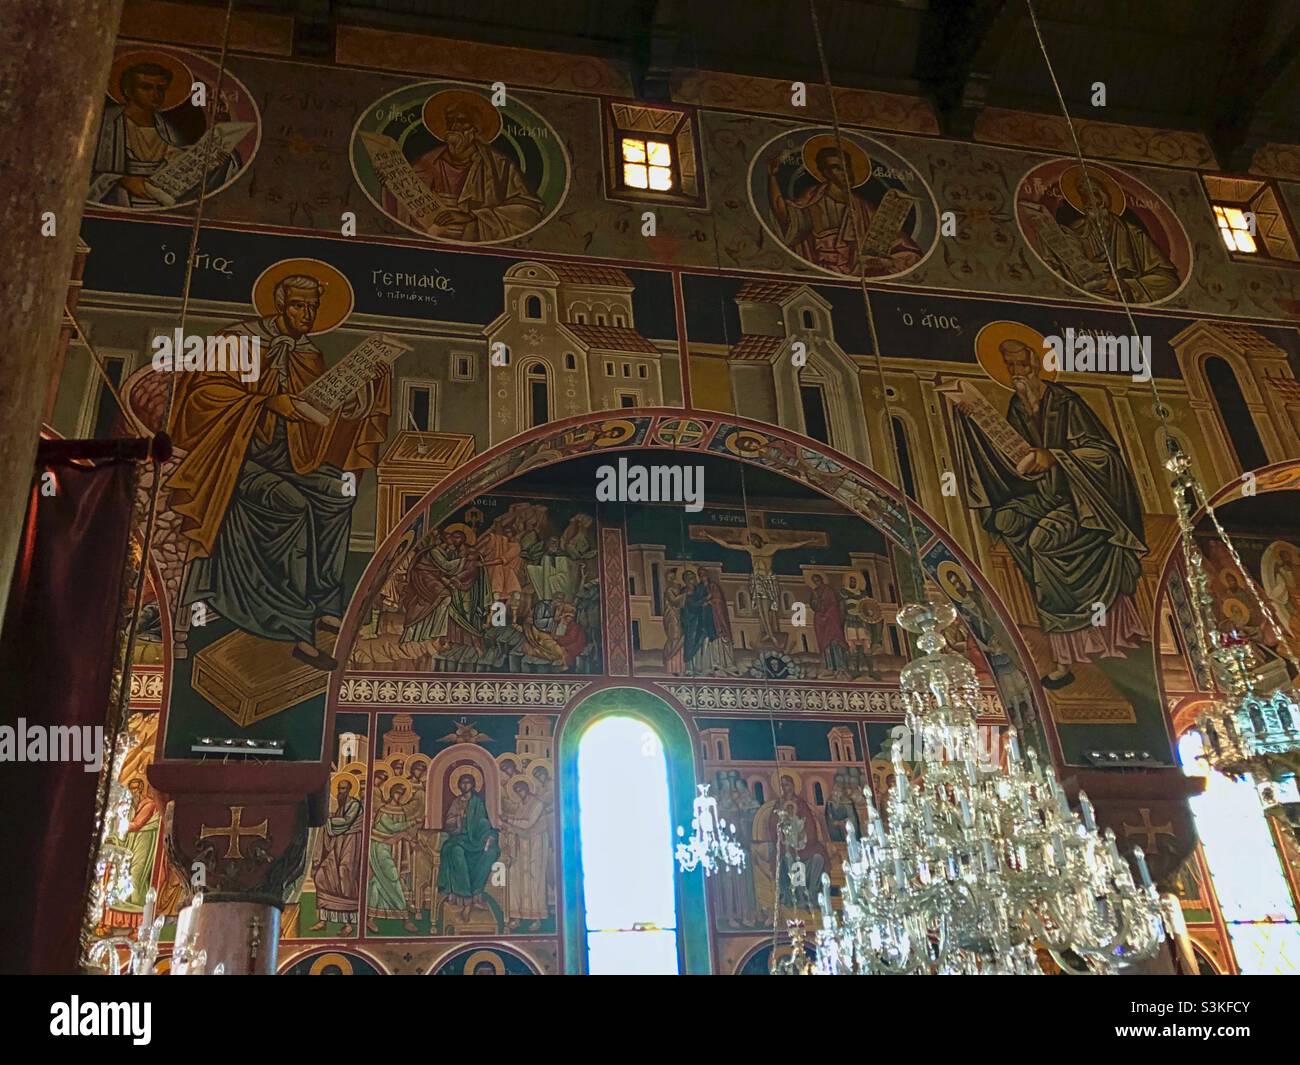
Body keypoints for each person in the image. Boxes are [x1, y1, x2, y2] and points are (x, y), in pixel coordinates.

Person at [169, 274, 390, 671]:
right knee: (294, 504)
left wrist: (356, 396)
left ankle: (324, 601)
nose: (306, 316)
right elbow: (201, 400)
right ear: (278, 303)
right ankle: (297, 626)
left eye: (313, 308)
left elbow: (315, 422)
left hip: (291, 460)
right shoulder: (235, 342)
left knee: (340, 493)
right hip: (233, 462)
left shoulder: (309, 355)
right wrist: (265, 402)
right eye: (298, 306)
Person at [954, 338, 1147, 688]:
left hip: (1087, 502)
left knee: (1042, 542)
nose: (1017, 374)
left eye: (1022, 366)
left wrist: (1055, 456)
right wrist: (975, 424)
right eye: (1010, 367)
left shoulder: (1066, 403)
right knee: (1005, 519)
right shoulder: (1017, 405)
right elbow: (1012, 454)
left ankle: (1065, 655)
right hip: (1046, 496)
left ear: (1037, 365)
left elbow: (1103, 454)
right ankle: (1052, 635)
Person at [394, 90, 543, 241]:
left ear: (475, 128)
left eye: (462, 121)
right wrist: (392, 184)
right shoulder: (427, 161)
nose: (454, 126)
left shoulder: (499, 166)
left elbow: (529, 213)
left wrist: (471, 216)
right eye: (450, 120)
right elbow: (405, 203)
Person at [90, 58, 238, 207]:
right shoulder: (106, 122)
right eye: (146, 87)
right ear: (128, 91)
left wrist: (210, 157)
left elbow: (176, 156)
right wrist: (122, 180)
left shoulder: (165, 128)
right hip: (120, 200)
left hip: (161, 200)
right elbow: (82, 167)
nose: (155, 94)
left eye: (160, 88)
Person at [767, 145, 922, 276]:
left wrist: (883, 262)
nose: (844, 173)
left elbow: (905, 249)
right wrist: (773, 176)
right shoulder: (812, 200)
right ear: (824, 172)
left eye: (846, 167)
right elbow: (785, 215)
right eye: (836, 168)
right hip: (819, 271)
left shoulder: (865, 209)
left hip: (856, 272)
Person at [437, 772, 501, 922]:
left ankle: (476, 893)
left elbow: (483, 822)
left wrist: (489, 836)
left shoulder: (477, 803)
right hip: (459, 839)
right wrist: (458, 819)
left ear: (473, 785)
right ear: (458, 785)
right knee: (455, 852)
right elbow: (448, 824)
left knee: (490, 853)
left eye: (468, 782)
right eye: (463, 783)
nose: (465, 785)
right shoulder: (456, 802)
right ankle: (467, 900)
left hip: (476, 840)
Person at [310, 777, 364, 934]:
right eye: (339, 789)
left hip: (350, 844)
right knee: (321, 875)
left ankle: (348, 924)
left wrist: (329, 820)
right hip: (337, 844)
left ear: (349, 790)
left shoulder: (355, 805)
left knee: (344, 876)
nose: (341, 792)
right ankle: (323, 919)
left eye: (344, 789)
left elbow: (347, 821)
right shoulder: (340, 807)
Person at [366, 783, 420, 933]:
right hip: (378, 846)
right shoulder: (383, 811)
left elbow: (399, 832)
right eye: (397, 792)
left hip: (392, 848)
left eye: (402, 793)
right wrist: (413, 822)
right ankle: (405, 917)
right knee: (393, 878)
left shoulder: (400, 810)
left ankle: (370, 917)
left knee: (377, 882)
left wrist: (408, 837)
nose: (399, 795)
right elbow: (393, 828)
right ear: (391, 792)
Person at [500, 779, 549, 930]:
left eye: (520, 789)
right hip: (520, 845)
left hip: (536, 844)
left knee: (534, 879)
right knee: (517, 880)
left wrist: (508, 820)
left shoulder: (537, 804)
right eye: (516, 790)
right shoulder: (521, 805)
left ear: (527, 789)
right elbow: (518, 825)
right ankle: (517, 916)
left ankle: (536, 918)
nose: (518, 793)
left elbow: (528, 823)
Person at [809, 574, 850, 678]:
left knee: (836, 642)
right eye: (814, 581)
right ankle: (830, 668)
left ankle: (841, 668)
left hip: (831, 618)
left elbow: (833, 603)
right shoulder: (815, 592)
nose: (817, 582)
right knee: (826, 645)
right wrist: (816, 602)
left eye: (818, 580)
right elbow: (813, 605)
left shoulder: (828, 590)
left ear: (822, 579)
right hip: (821, 620)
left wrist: (826, 610)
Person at [661, 569, 686, 675]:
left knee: (680, 637)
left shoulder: (678, 590)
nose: (672, 580)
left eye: (673, 577)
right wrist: (686, 594)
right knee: (674, 637)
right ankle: (670, 664)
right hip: (671, 617)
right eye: (669, 578)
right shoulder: (669, 590)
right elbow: (674, 602)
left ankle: (679, 667)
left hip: (678, 617)